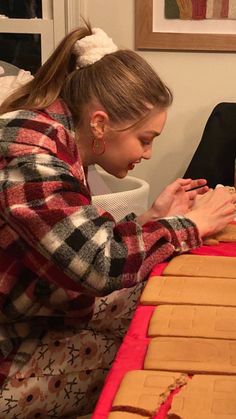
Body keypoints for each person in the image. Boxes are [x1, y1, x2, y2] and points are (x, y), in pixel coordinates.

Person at [0, 23, 235, 418]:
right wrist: (191, 227)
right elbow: (99, 265)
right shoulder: (30, 158)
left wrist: (156, 217)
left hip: (33, 316)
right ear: (100, 123)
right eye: (145, 139)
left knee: (143, 307)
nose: (147, 153)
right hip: (10, 352)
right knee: (138, 354)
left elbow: (74, 242)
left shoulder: (51, 133)